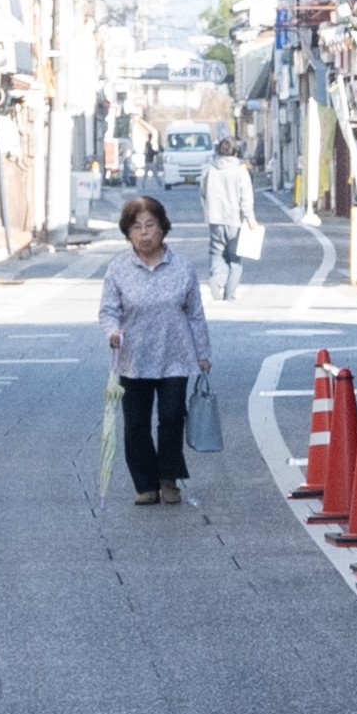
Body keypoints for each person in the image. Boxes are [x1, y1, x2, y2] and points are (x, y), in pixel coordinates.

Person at [99, 193, 212, 505]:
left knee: (173, 416)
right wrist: (112, 332)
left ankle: (169, 479)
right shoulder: (118, 269)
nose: (144, 233)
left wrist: (203, 354)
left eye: (150, 225)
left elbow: (195, 314)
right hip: (133, 358)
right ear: (128, 233)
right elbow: (108, 311)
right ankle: (146, 484)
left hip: (175, 355)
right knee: (135, 424)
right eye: (136, 227)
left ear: (163, 228)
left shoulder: (182, 268)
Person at [203, 142, 257, 301]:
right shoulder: (240, 172)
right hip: (235, 221)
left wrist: (208, 213)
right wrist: (251, 220)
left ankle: (217, 279)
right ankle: (229, 293)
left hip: (215, 219)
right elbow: (246, 199)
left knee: (216, 253)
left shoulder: (209, 170)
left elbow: (203, 193)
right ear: (235, 153)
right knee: (235, 258)